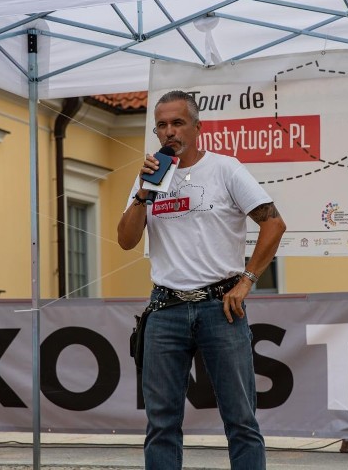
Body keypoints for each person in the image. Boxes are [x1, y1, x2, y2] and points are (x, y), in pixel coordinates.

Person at [117, 90, 286, 470]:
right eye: (161, 125)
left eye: (177, 123)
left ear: (197, 126)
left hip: (219, 306)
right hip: (165, 309)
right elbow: (126, 240)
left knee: (240, 420)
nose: (169, 131)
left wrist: (247, 280)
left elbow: (273, 223)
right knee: (161, 424)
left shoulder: (225, 169)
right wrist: (144, 192)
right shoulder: (149, 176)